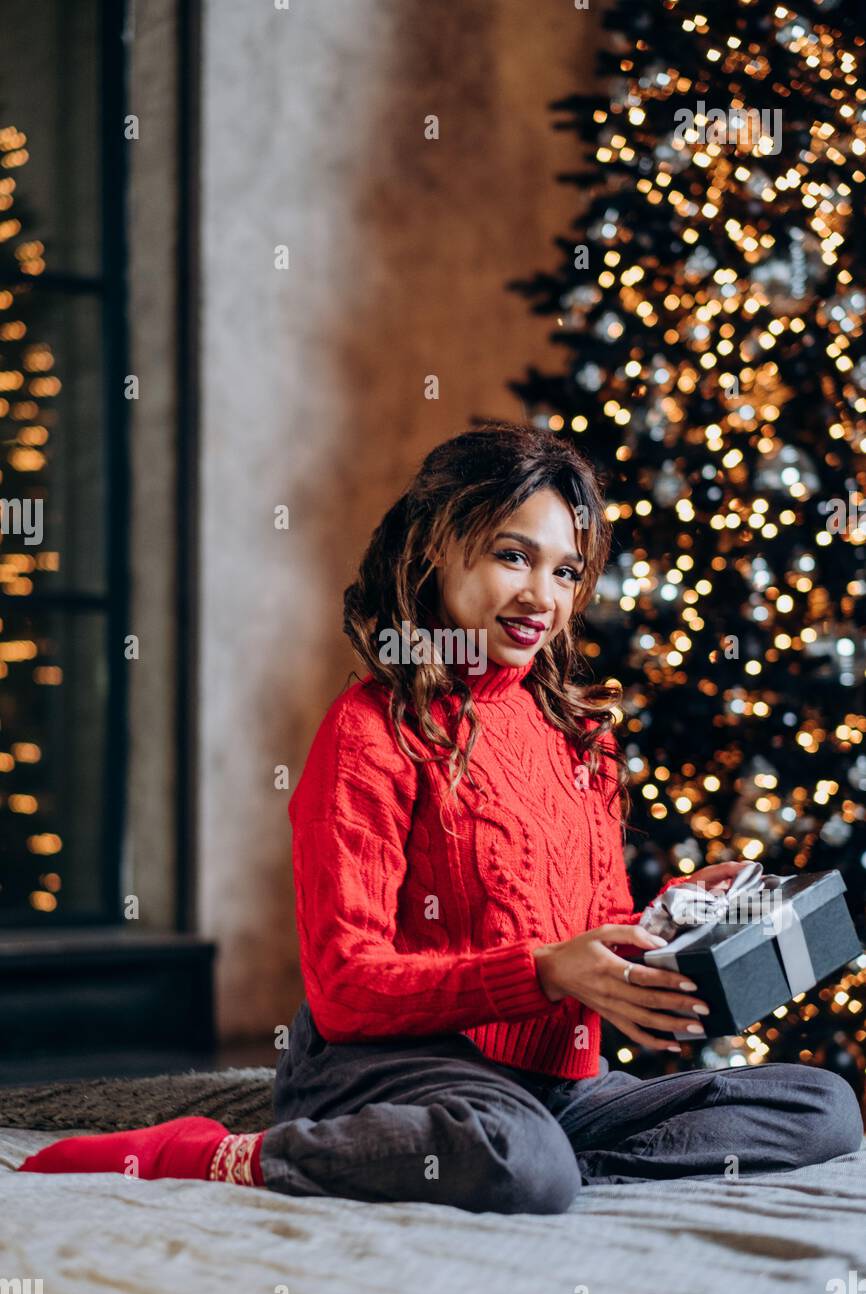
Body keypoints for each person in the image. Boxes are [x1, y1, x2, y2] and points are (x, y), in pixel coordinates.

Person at [18, 422, 863, 1210]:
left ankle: (535, 1156)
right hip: (385, 1064)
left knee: (824, 1105)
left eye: (566, 571)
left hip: (558, 1088)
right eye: (512, 556)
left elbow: (590, 931)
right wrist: (540, 970)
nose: (543, 596)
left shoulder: (583, 739)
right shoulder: (370, 729)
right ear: (436, 550)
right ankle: (214, 1152)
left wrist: (681, 915)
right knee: (519, 1156)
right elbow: (346, 988)